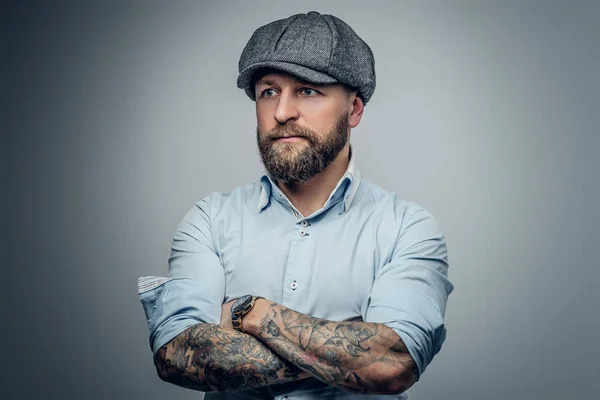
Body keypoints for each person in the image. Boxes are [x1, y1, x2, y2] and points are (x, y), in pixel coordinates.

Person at [138, 11, 453, 400]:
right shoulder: (209, 221)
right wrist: (348, 354)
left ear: (354, 109)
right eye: (269, 91)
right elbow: (177, 354)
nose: (282, 112)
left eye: (307, 90)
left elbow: (391, 364)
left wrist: (249, 312)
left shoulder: (408, 228)